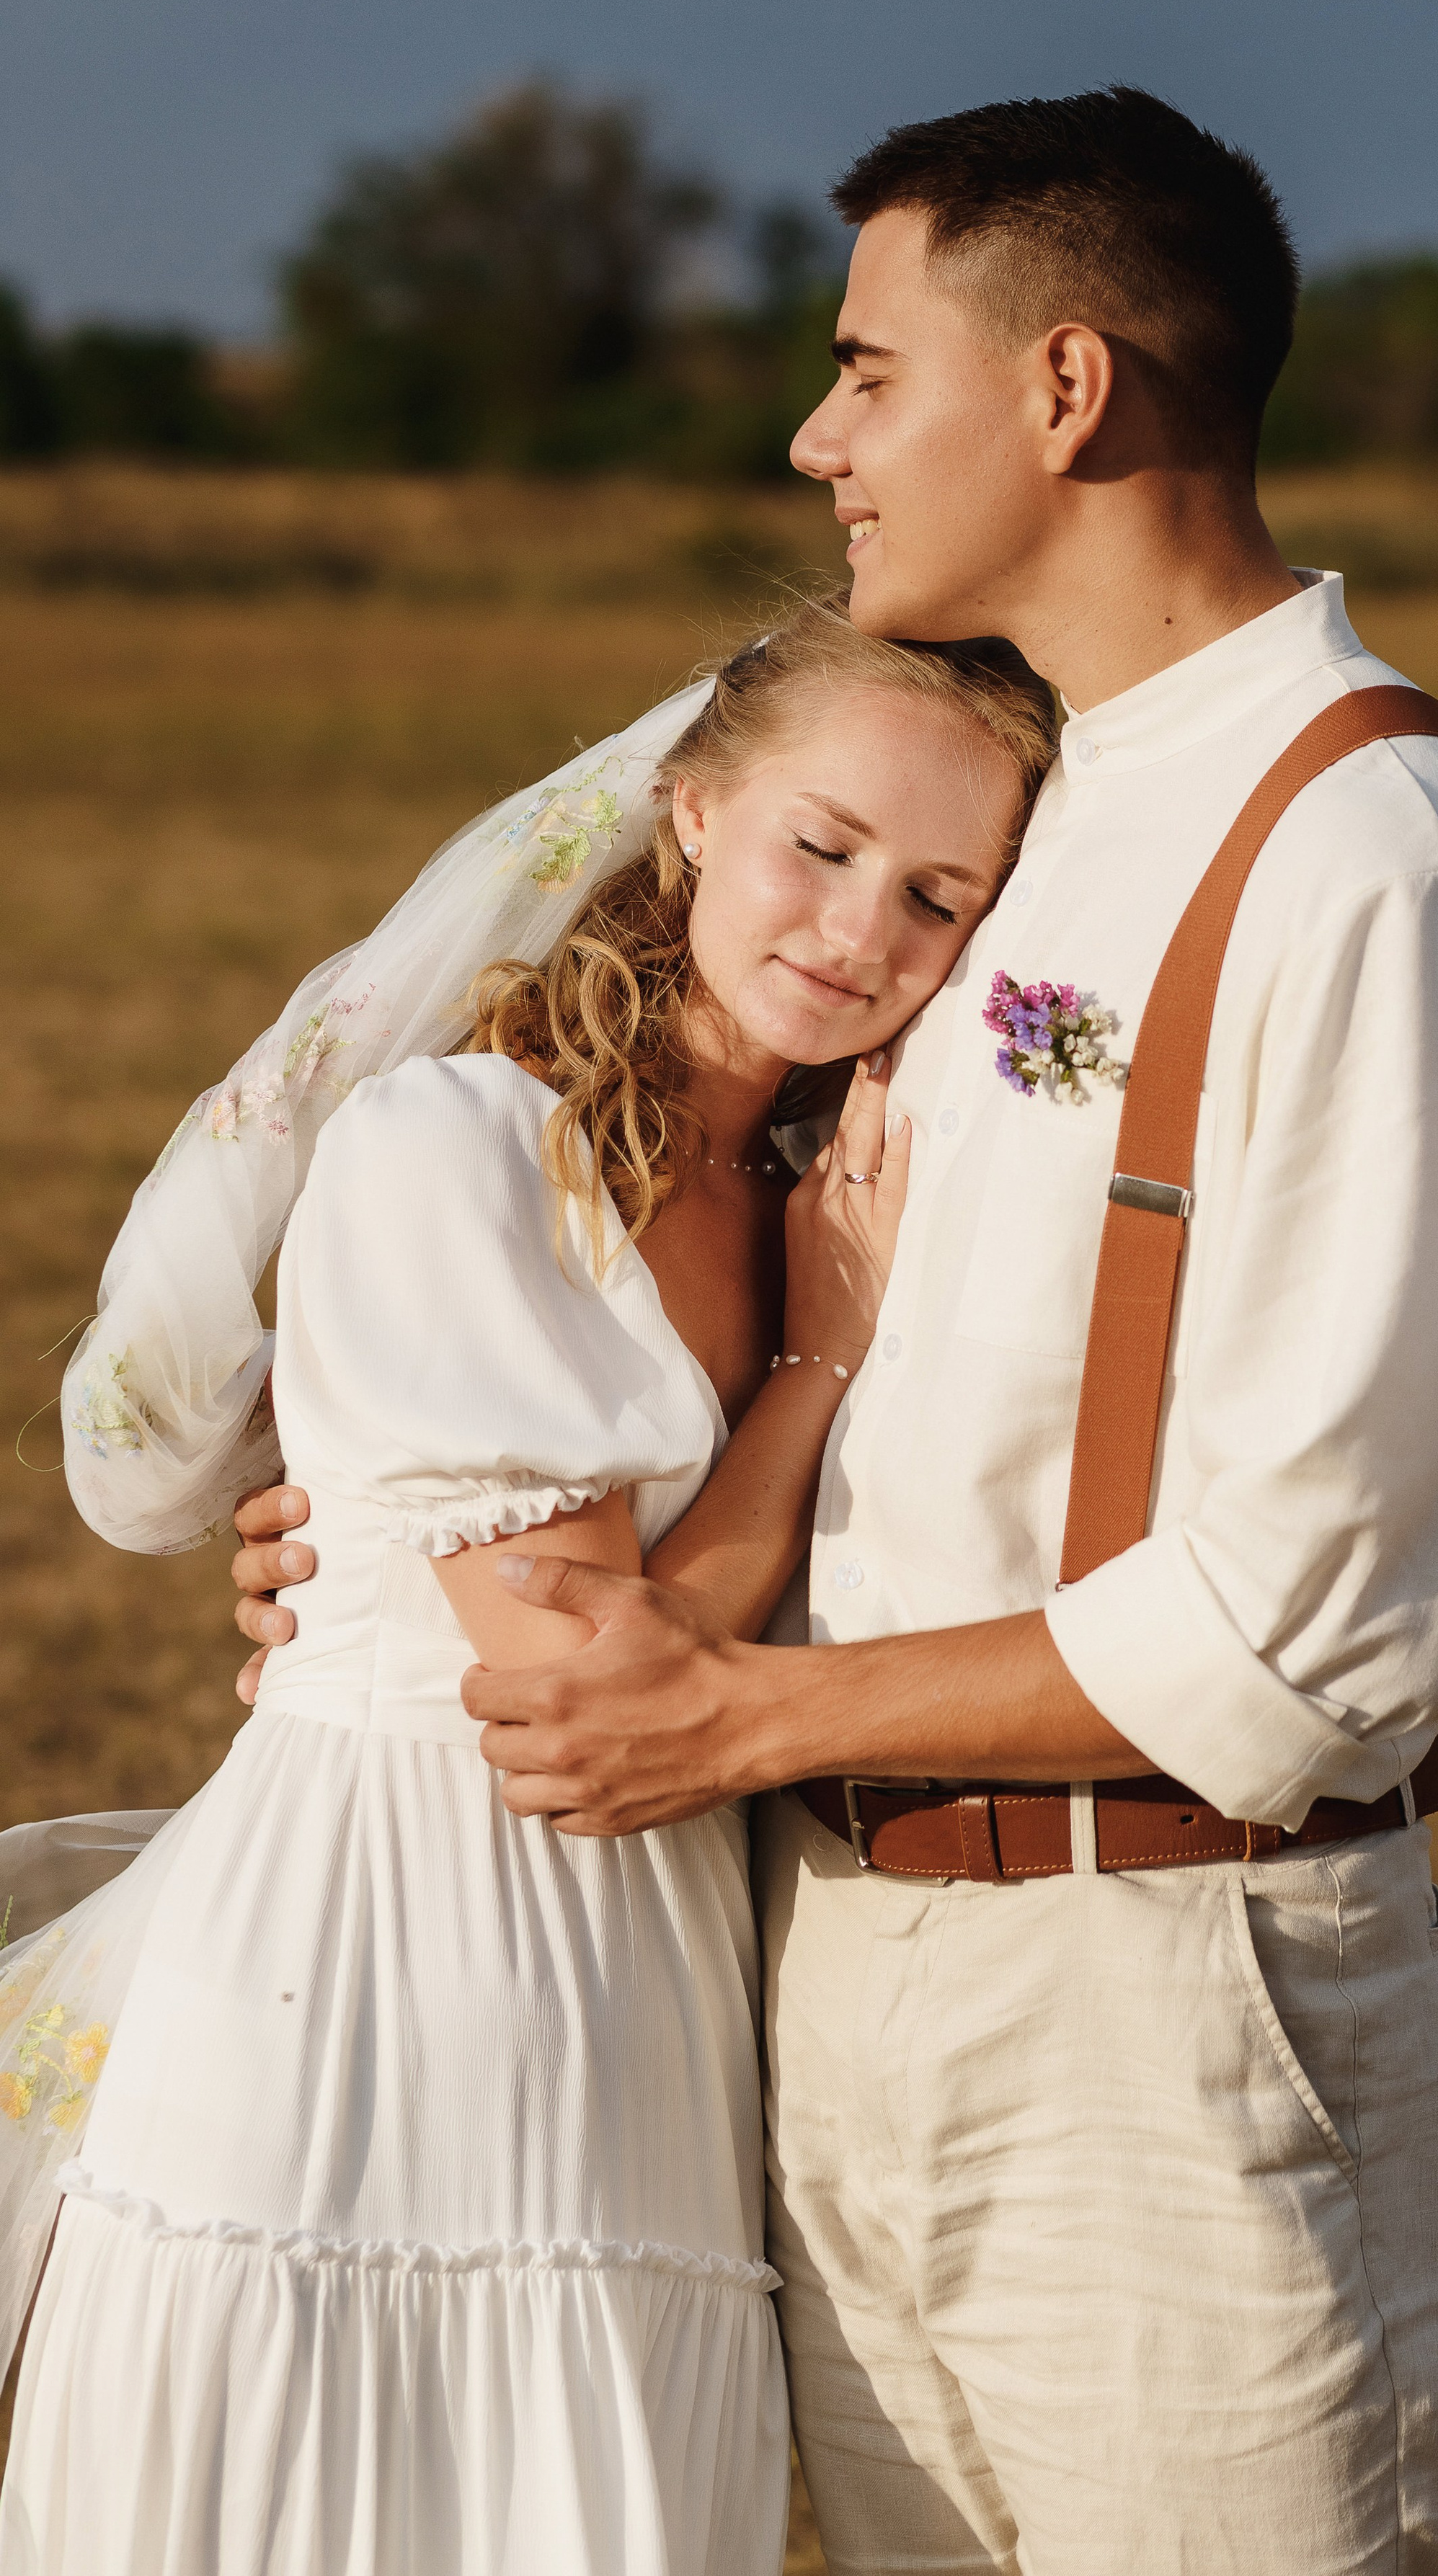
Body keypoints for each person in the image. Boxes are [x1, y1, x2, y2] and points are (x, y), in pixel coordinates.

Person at [233, 87, 1438, 2571]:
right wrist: (418, 1544)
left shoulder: (1373, 856)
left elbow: (1313, 1627)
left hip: (1159, 2008)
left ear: (1066, 393)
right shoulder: (1016, 798)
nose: (815, 433)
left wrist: (725, 1709)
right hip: (811, 1958)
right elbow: (809, 1311)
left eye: (870, 366)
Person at [0, 597, 1057, 2573]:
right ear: (685, 815)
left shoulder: (825, 1188)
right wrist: (815, 1369)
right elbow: (584, 1675)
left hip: (641, 1995)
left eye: (937, 897)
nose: (855, 934)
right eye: (816, 847)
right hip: (380, 1973)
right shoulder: (458, 1149)